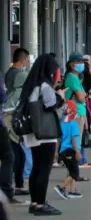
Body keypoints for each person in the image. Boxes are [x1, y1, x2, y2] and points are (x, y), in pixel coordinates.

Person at [20, 54, 66, 215]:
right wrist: (60, 96)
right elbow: (50, 105)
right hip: (44, 132)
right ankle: (40, 204)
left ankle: (35, 202)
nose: (55, 74)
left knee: (37, 168)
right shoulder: (44, 86)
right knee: (44, 169)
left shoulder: (32, 84)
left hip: (33, 132)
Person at [0, 72, 27, 205]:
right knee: (9, 156)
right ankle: (7, 192)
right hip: (4, 126)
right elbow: (2, 97)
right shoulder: (20, 94)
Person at [64, 52, 91, 170]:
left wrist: (83, 96)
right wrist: (85, 96)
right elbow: (81, 98)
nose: (81, 64)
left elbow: (81, 96)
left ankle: (79, 163)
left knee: (77, 139)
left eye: (82, 62)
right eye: (78, 62)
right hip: (75, 113)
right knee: (75, 140)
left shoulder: (74, 77)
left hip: (77, 112)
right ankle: (75, 166)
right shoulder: (72, 78)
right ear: (71, 64)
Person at [54, 100, 83, 199]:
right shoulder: (73, 124)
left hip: (63, 151)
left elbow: (58, 139)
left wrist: (56, 152)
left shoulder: (61, 124)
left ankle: (72, 191)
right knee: (75, 172)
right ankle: (61, 187)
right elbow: (73, 139)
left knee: (71, 170)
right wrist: (78, 151)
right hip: (71, 151)